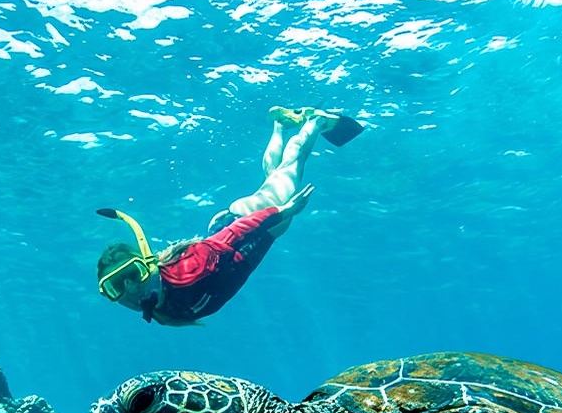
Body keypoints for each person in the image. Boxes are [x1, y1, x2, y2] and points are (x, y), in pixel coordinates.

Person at [96, 106, 363, 325]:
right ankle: (280, 125)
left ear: (148, 266)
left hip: (245, 225)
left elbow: (232, 235)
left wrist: (281, 212)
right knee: (275, 177)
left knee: (292, 168)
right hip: (236, 233)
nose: (130, 290)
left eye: (133, 274)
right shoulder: (159, 309)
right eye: (115, 287)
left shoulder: (185, 273)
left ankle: (315, 121)